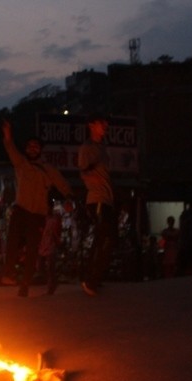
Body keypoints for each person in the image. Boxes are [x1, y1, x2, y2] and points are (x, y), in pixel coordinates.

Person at [0, 119, 73, 297]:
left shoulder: (48, 169)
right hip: (21, 210)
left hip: (38, 214)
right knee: (12, 241)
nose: (32, 149)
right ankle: (9, 273)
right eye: (29, 146)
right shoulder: (21, 164)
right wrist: (8, 135)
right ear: (26, 149)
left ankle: (25, 283)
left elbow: (63, 185)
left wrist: (69, 199)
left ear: (40, 149)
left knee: (33, 249)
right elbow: (10, 148)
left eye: (36, 146)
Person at [78, 113, 115, 297]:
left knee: (108, 238)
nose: (105, 125)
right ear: (92, 125)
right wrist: (93, 171)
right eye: (102, 122)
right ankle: (90, 279)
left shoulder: (102, 147)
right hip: (97, 198)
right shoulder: (88, 147)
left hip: (106, 198)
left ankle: (95, 277)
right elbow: (83, 171)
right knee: (102, 238)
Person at [39, 207, 63, 295]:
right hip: (42, 245)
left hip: (50, 245)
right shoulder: (42, 220)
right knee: (40, 266)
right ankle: (52, 282)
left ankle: (51, 286)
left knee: (50, 268)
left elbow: (55, 232)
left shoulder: (53, 220)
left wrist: (57, 240)